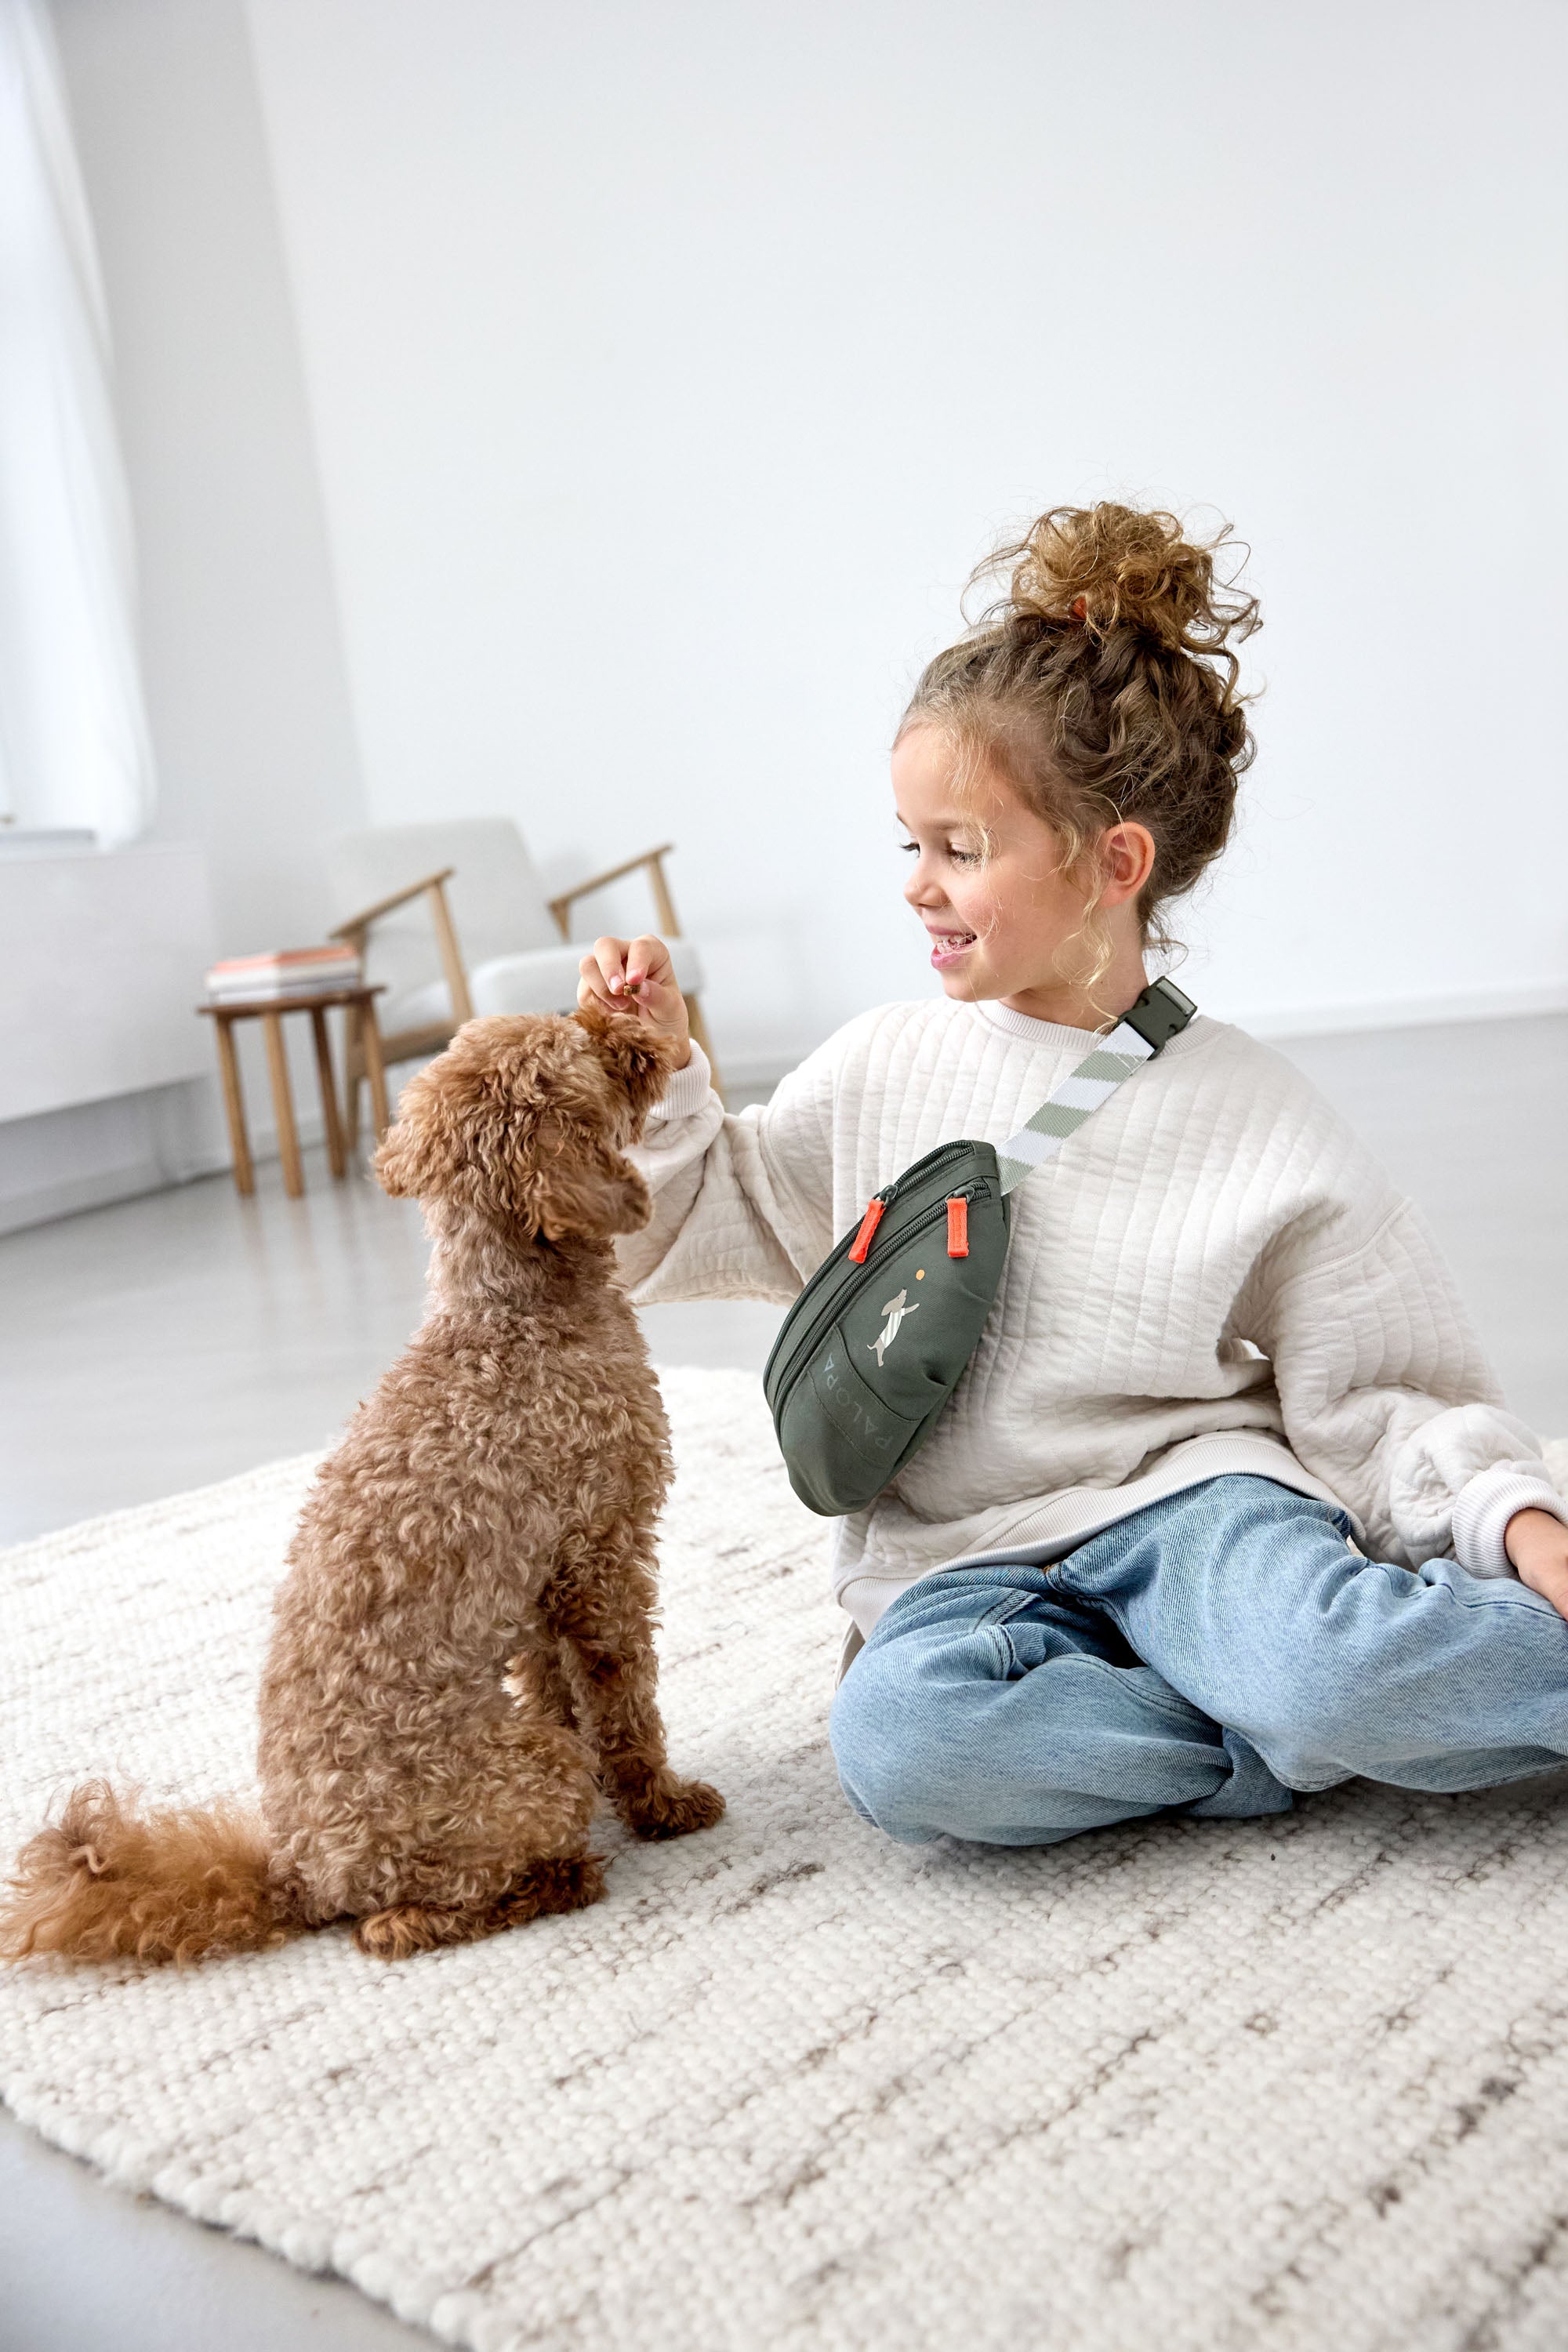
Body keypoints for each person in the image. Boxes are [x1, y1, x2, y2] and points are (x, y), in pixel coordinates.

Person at [576, 500, 1568, 1849]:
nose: (919, 887)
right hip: (960, 1558)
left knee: (1345, 1662)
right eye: (909, 845)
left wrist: (1519, 1524)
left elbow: (1388, 1391)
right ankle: (1271, 1738)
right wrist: (664, 1079)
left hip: (1199, 1508)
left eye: (962, 849)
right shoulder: (879, 1065)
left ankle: (1302, 1696)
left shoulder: (1255, 1113)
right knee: (908, 1748)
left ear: (1115, 864)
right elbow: (698, 1223)